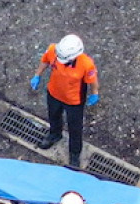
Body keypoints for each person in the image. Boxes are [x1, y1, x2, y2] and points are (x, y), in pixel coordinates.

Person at [31, 35, 99, 169]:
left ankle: (74, 153)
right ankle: (54, 135)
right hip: (54, 93)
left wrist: (95, 93)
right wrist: (37, 74)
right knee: (53, 116)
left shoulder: (86, 64)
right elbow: (45, 61)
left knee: (75, 128)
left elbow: (92, 80)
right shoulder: (53, 50)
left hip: (74, 101)